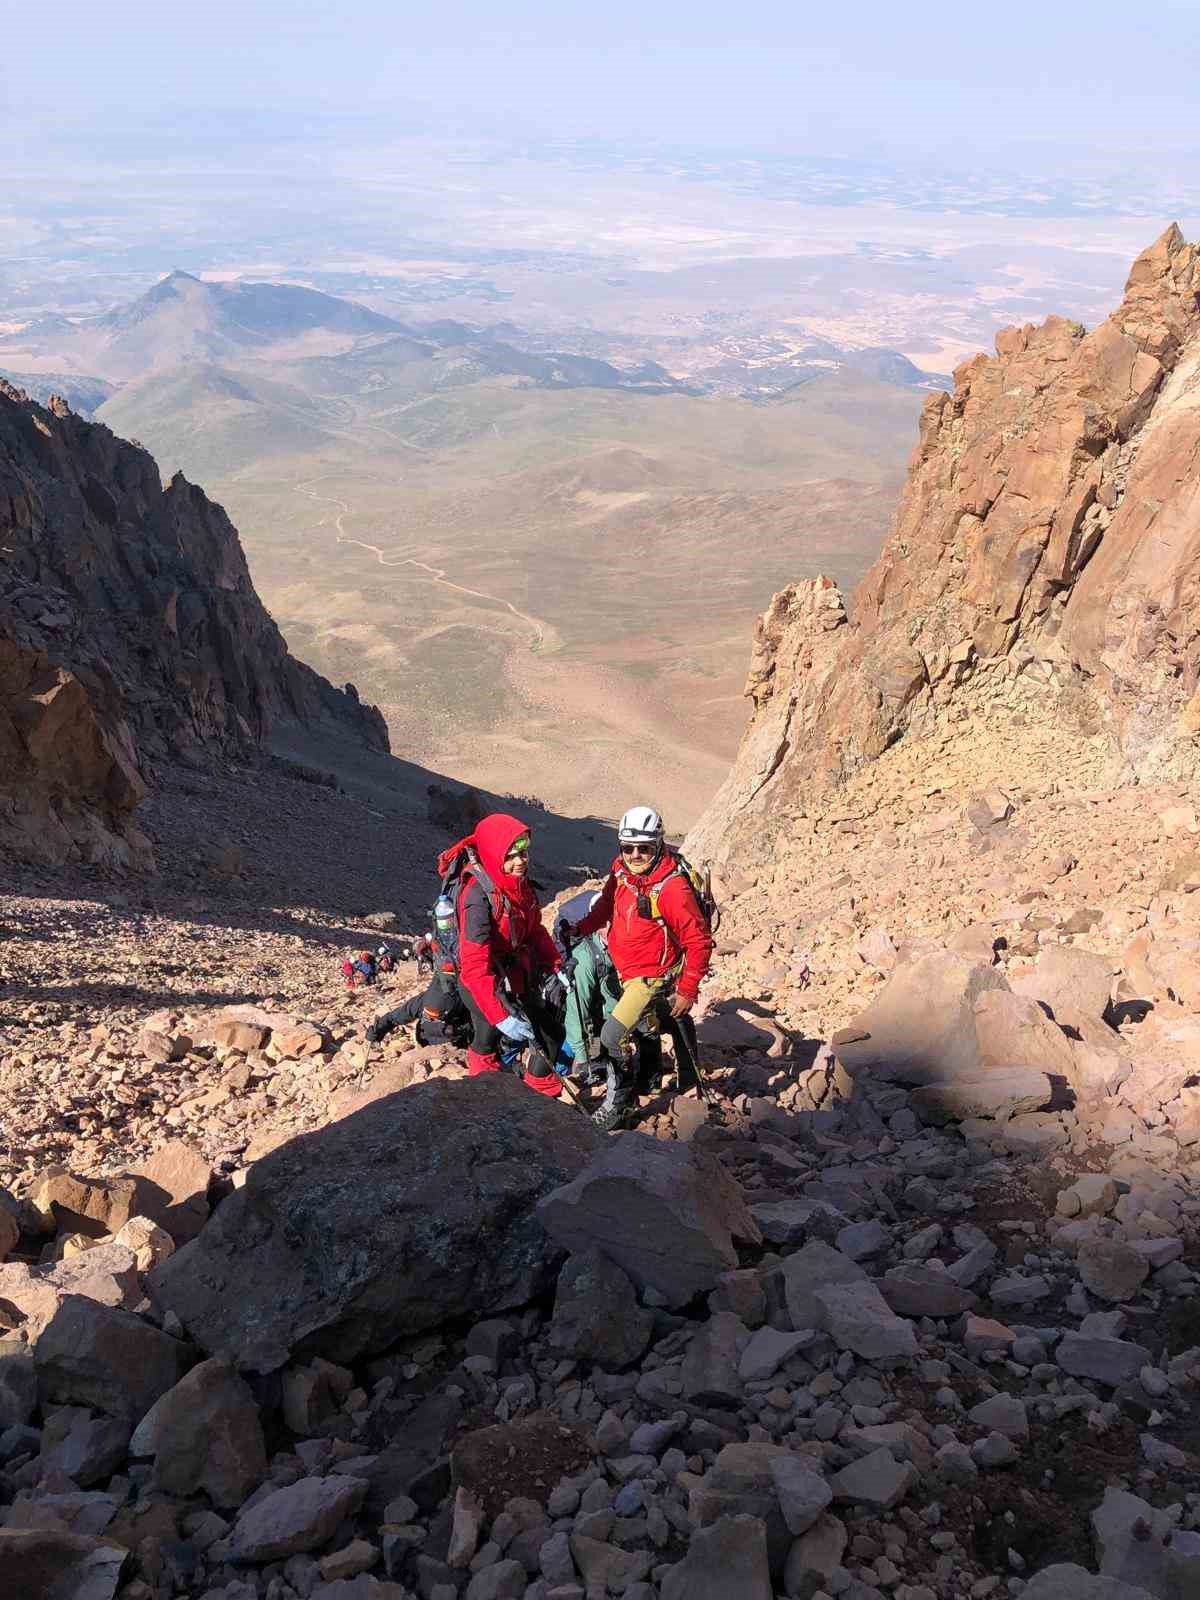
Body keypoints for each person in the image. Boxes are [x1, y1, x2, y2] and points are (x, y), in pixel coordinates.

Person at [563, 805, 712, 1130]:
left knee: (611, 1035)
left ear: (657, 845)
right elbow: (605, 907)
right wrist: (582, 928)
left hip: (650, 976)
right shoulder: (622, 874)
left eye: (643, 848)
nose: (634, 854)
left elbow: (698, 941)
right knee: (652, 1021)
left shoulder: (672, 889)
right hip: (626, 969)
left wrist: (687, 988)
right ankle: (658, 1078)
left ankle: (619, 1101)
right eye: (628, 847)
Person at [438, 811, 566, 1097]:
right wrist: (500, 1015)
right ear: (495, 854)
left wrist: (555, 963)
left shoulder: (519, 888)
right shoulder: (477, 896)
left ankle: (538, 1097)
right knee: (487, 1034)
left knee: (551, 1033)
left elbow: (533, 931)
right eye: (510, 855)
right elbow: (473, 966)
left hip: (512, 974)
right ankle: (486, 1098)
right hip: (481, 980)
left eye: (523, 852)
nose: (520, 861)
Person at [365, 964, 471, 1047]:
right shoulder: (427, 999)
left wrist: (377, 1030)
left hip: (449, 1040)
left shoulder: (427, 998)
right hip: (434, 1042)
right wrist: (377, 1030)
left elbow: (395, 1017)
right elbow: (394, 1017)